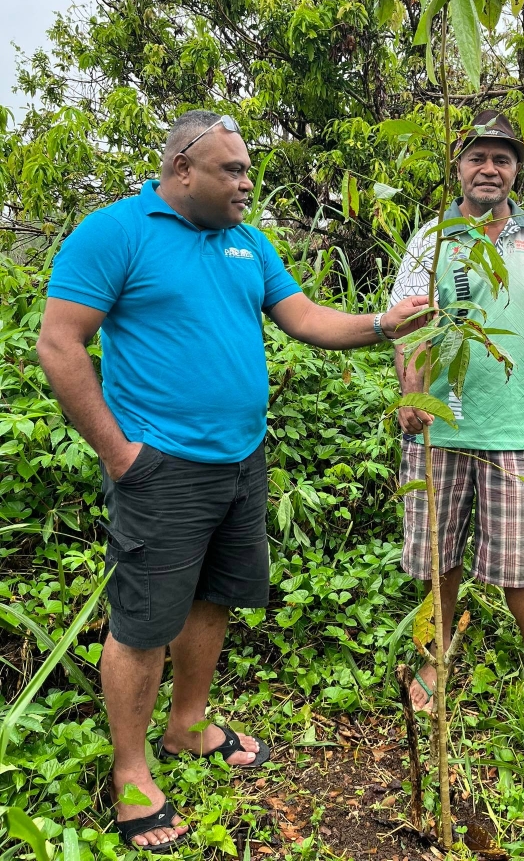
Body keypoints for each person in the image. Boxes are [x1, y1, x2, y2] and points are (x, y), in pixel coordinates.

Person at [36, 111, 430, 852]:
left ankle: (187, 725)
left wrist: (386, 323)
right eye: (232, 170)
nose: (248, 183)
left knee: (215, 597)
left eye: (248, 170)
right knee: (143, 622)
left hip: (242, 462)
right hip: (161, 469)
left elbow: (306, 317)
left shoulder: (247, 243)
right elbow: (59, 344)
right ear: (182, 169)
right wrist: (121, 456)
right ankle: (131, 772)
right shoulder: (116, 232)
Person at [390, 109, 524, 740]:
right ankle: (436, 657)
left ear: (516, 171)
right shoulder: (432, 238)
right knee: (437, 555)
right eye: (478, 156)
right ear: (458, 166)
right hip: (440, 427)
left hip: (513, 428)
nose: (489, 168)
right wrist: (413, 396)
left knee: (523, 562)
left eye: (502, 158)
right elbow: (409, 323)